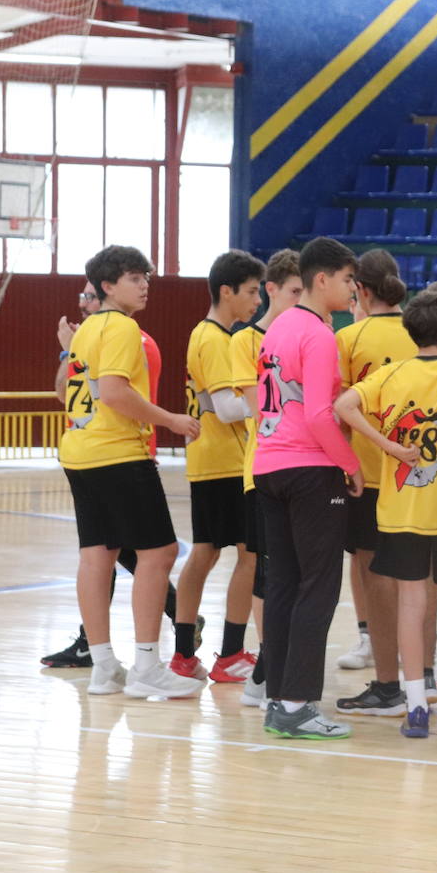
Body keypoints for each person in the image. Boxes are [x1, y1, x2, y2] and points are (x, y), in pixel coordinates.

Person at [334, 291, 437, 738]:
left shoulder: (390, 375)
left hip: (401, 511)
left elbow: (342, 406)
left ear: (411, 332)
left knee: (410, 603)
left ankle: (416, 706)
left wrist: (388, 446)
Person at [59, 245, 202, 699]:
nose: (144, 285)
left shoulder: (86, 331)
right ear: (107, 285)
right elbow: (116, 394)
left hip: (81, 452)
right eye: (135, 277)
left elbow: (68, 390)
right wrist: (172, 421)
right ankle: (146, 666)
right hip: (118, 452)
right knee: (158, 553)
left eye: (146, 277)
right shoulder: (122, 327)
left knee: (97, 556)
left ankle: (103, 667)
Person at [253, 237, 362, 739]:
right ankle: (298, 703)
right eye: (346, 279)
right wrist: (350, 464)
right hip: (310, 469)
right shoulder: (319, 335)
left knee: (283, 584)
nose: (351, 288)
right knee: (318, 586)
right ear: (322, 280)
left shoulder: (276, 329)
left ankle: (278, 696)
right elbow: (320, 413)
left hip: (269, 465)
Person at [171, 251, 265, 684]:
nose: (258, 301)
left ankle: (184, 654)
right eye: (250, 291)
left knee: (206, 551)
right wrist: (269, 397)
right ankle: (229, 653)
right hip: (225, 462)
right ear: (226, 291)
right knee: (250, 554)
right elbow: (227, 409)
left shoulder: (209, 336)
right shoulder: (215, 339)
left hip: (211, 460)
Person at [333, 249, 418, 717]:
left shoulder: (348, 337)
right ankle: (422, 681)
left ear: (360, 290)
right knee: (418, 582)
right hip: (419, 476)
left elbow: (337, 412)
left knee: (377, 581)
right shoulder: (421, 333)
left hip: (368, 476)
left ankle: (388, 685)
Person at [229, 250, 303, 707]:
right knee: (269, 572)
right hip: (265, 468)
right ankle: (267, 664)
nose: (301, 299)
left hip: (304, 468)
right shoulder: (245, 341)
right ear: (273, 290)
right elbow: (261, 410)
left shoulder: (311, 334)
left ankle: (275, 664)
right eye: (295, 291)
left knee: (294, 572)